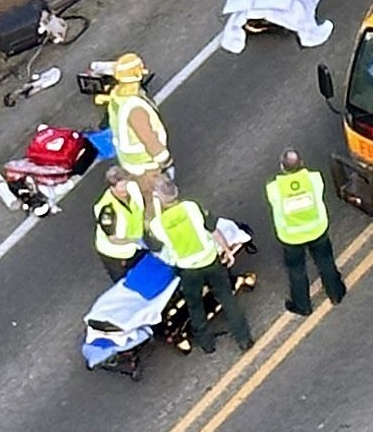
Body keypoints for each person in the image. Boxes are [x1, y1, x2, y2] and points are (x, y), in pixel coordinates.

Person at [149, 186, 253, 354]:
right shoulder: (192, 207)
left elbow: (156, 247)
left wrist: (156, 208)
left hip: (188, 270)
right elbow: (214, 230)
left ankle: (206, 344)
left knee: (195, 306)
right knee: (227, 299)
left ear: (160, 199)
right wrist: (227, 250)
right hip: (210, 261)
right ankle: (244, 339)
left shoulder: (157, 224)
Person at [265, 150, 347, 317]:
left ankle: (303, 305)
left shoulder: (274, 188)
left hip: (291, 237)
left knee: (297, 270)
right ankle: (336, 293)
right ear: (302, 163)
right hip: (317, 230)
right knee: (325, 261)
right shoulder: (314, 178)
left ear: (282, 167)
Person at [103, 52, 173, 204]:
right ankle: (154, 220)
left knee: (144, 190)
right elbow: (148, 138)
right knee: (154, 196)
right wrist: (164, 159)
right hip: (145, 162)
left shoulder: (116, 96)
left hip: (129, 160)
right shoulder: (135, 108)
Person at [93, 166, 148, 281]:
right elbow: (113, 239)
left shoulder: (132, 188)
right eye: (121, 186)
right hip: (117, 254)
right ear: (112, 188)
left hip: (137, 245)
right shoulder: (107, 210)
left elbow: (140, 210)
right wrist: (136, 240)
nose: (125, 189)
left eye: (126, 184)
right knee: (125, 283)